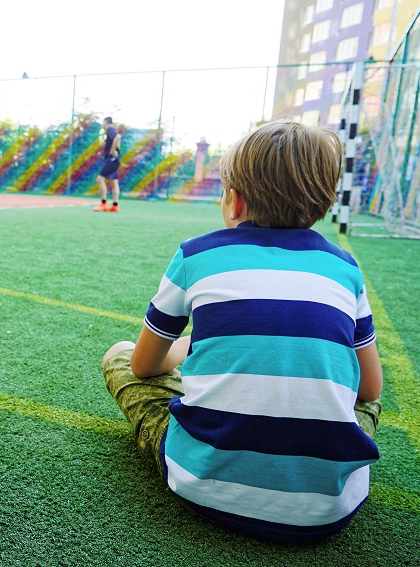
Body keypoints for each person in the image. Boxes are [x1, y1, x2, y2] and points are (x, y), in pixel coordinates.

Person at [101, 120, 383, 543]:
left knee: (120, 353)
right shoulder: (346, 268)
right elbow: (370, 389)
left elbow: (143, 366)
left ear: (234, 201)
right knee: (361, 400)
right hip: (328, 508)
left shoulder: (196, 255)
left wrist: (191, 347)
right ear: (323, 204)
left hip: (202, 485)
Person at [93, 117, 121, 212]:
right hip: (115, 160)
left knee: (100, 179)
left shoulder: (110, 128)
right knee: (113, 182)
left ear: (105, 122)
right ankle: (115, 205)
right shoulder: (112, 129)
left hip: (112, 159)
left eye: (102, 122)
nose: (102, 124)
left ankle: (103, 204)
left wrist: (112, 151)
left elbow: (118, 137)